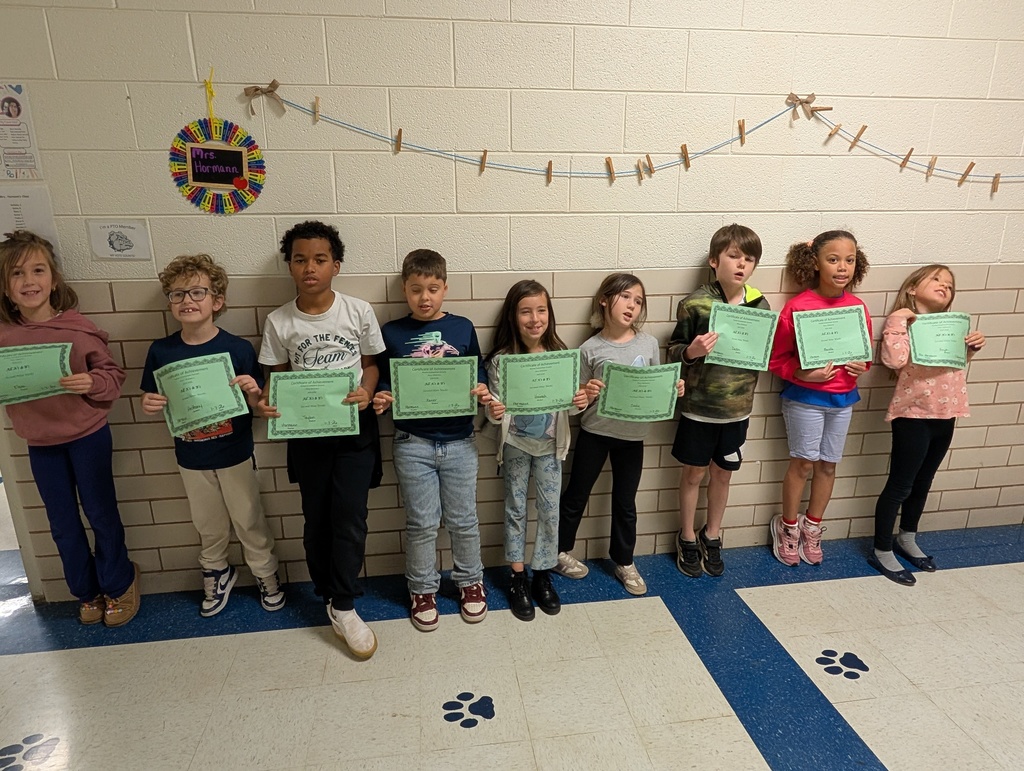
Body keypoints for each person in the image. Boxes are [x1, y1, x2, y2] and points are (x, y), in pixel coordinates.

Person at [257, 221, 383, 659]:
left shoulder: (358, 311)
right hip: (307, 436)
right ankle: (328, 593)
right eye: (300, 259)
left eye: (320, 259)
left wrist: (366, 390)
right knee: (317, 519)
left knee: (350, 516)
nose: (309, 267)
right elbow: (273, 380)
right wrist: (268, 404)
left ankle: (345, 605)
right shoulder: (278, 321)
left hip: (353, 432)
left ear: (336, 265)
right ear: (289, 265)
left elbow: (370, 364)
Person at [0, 230, 138, 626]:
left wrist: (91, 382)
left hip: (88, 436)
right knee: (61, 521)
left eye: (38, 270)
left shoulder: (78, 328)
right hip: (41, 444)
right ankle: (86, 590)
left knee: (101, 512)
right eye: (16, 274)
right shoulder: (5, 337)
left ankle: (119, 583)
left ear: (54, 279)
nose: (29, 281)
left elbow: (112, 375)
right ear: (6, 289)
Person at [140, 254, 284, 617]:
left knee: (249, 519)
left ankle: (266, 574)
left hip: (234, 452)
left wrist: (254, 391)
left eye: (197, 292)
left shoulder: (236, 348)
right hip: (190, 457)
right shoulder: (162, 351)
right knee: (208, 524)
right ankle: (217, 573)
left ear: (216, 301)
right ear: (170, 303)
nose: (187, 300)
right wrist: (150, 402)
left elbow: (258, 405)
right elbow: (152, 396)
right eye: (177, 294)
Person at [373, 249, 490, 632]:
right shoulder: (392, 332)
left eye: (433, 289)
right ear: (405, 291)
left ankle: (470, 582)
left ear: (445, 289)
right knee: (422, 522)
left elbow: (478, 370)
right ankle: (422, 589)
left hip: (459, 441)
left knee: (464, 520)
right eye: (416, 289)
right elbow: (388, 379)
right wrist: (384, 396)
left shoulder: (462, 327)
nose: (425, 297)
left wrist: (482, 390)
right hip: (413, 442)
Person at [555, 272, 684, 595]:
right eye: (625, 296)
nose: (632, 306)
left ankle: (624, 561)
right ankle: (558, 551)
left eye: (638, 301)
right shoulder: (589, 348)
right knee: (576, 495)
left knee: (625, 503)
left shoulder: (648, 343)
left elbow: (655, 388)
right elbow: (575, 403)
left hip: (633, 437)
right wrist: (586, 392)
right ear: (604, 299)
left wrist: (674, 388)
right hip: (595, 433)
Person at [870, 265, 985, 585]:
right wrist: (896, 322)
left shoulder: (952, 325)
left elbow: (955, 366)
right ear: (912, 288)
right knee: (900, 485)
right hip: (913, 415)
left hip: (946, 414)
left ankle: (907, 537)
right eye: (936, 280)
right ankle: (881, 549)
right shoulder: (904, 324)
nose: (944, 286)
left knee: (923, 482)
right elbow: (893, 361)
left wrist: (970, 348)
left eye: (949, 285)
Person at [483, 280, 590, 621]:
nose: (534, 319)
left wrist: (581, 401)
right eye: (526, 311)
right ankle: (518, 577)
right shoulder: (502, 360)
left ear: (549, 314)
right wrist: (493, 411)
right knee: (515, 508)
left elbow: (569, 408)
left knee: (549, 510)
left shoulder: (560, 355)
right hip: (514, 444)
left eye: (541, 310)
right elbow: (493, 407)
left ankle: (542, 572)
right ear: (513, 316)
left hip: (549, 447)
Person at [667, 224, 768, 578]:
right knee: (693, 473)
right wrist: (691, 351)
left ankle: (713, 534)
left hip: (737, 411)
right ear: (714, 260)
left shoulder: (759, 303)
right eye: (733, 256)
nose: (742, 265)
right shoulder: (694, 303)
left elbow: (763, 350)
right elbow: (673, 351)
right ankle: (688, 536)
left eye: (749, 259)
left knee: (723, 475)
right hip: (699, 409)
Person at [768, 231, 871, 566]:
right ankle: (787, 528)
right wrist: (801, 373)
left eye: (849, 260)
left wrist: (861, 366)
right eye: (833, 259)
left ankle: (813, 527)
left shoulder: (857, 307)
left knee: (828, 464)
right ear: (815, 262)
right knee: (803, 463)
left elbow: (865, 356)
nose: (843, 267)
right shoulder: (797, 307)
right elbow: (775, 359)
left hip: (843, 399)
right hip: (805, 399)